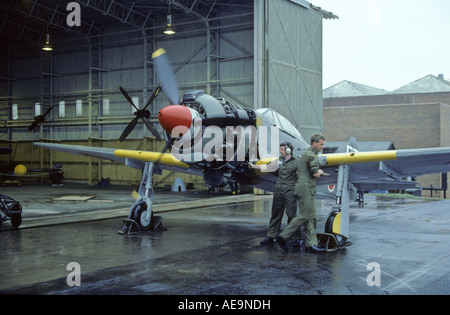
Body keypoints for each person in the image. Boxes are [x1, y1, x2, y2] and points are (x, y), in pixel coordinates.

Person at [276, 134, 326, 253]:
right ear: (314, 143)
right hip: (305, 188)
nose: (322, 147)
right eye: (321, 144)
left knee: (312, 217)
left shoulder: (305, 154)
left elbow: (299, 171)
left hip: (302, 187)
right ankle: (283, 237)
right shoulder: (311, 155)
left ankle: (311, 244)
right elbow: (315, 173)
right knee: (304, 215)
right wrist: (320, 171)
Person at [250, 142, 303, 246]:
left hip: (290, 191)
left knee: (291, 215)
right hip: (279, 190)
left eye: (282, 149)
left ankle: (297, 237)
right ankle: (271, 236)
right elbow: (267, 167)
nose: (280, 151)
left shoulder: (297, 162)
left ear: (288, 151)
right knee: (276, 214)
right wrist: (253, 166)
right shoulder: (278, 160)